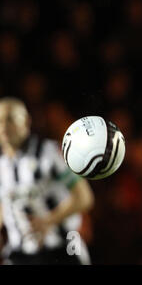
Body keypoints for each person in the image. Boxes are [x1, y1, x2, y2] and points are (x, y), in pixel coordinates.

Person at [0, 97, 94, 265]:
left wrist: (48, 220)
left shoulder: (49, 152)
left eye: (10, 119)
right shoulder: (2, 164)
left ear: (26, 121)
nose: (4, 127)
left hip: (63, 249)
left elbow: (84, 197)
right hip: (19, 253)